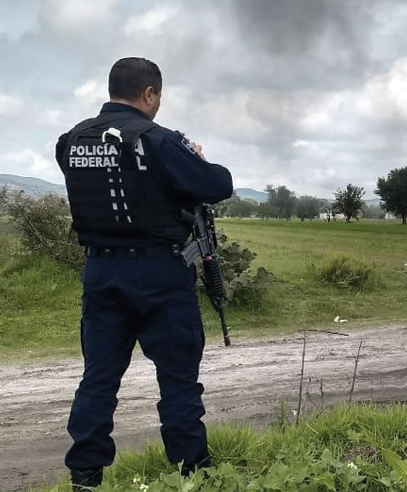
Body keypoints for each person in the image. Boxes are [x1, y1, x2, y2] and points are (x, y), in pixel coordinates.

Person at [56, 57, 233, 491]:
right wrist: (198, 160)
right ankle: (193, 472)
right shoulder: (158, 140)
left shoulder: (70, 140)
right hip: (159, 273)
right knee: (177, 380)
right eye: (158, 97)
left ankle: (86, 476)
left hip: (100, 271)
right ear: (149, 94)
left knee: (98, 377)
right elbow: (217, 185)